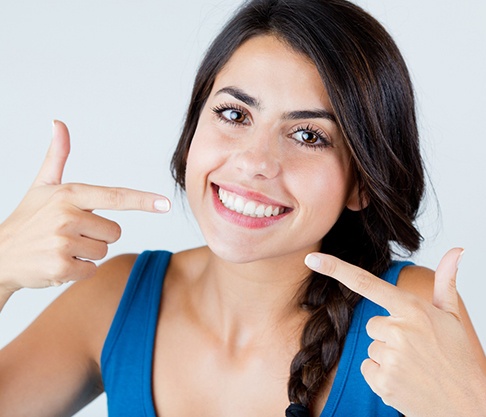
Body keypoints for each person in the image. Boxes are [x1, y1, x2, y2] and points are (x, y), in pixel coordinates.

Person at [0, 0, 485, 416]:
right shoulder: (113, 299)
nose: (255, 162)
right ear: (193, 130)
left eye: (308, 135)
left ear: (362, 182)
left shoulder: (410, 315)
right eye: (234, 114)